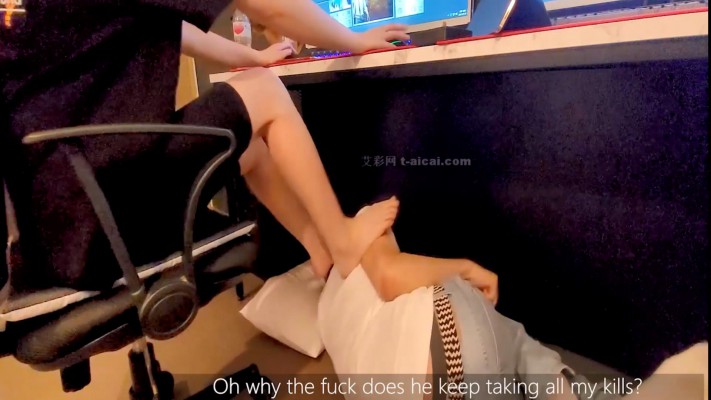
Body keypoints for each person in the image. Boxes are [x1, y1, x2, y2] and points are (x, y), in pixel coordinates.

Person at [0, 0, 409, 290]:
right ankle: (342, 240)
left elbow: (175, 31)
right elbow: (273, 8)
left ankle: (318, 247)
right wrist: (354, 40)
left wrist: (253, 57)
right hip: (101, 223)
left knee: (246, 145)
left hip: (54, 229)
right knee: (265, 91)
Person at [317, 205, 708, 400]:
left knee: (518, 355)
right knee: (518, 342)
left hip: (438, 384)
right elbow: (389, 277)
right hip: (450, 344)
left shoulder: (324, 315)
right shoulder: (358, 228)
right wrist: (467, 268)